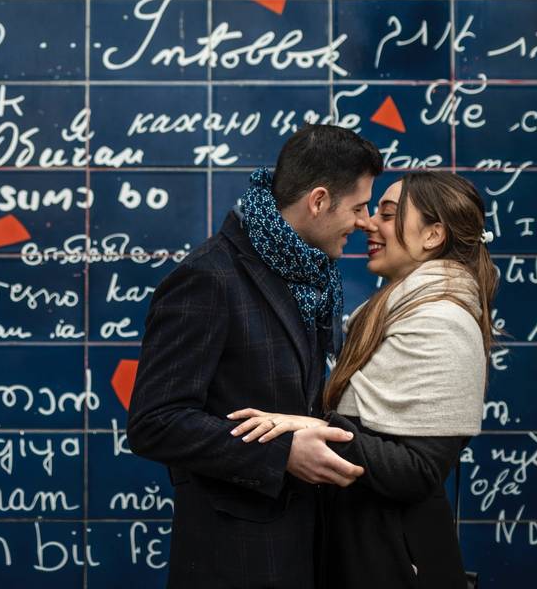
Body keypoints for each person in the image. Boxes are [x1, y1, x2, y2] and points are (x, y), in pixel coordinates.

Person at [127, 124, 383, 588]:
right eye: (359, 207)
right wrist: (282, 454)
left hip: (308, 547)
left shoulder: (311, 275)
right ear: (319, 201)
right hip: (237, 560)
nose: (365, 222)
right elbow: (154, 423)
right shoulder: (209, 277)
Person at [231, 172, 496, 589]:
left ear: (432, 235)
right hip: (369, 550)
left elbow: (418, 470)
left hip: (396, 559)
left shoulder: (443, 321)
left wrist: (319, 428)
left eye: (388, 215)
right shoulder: (397, 309)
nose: (370, 223)